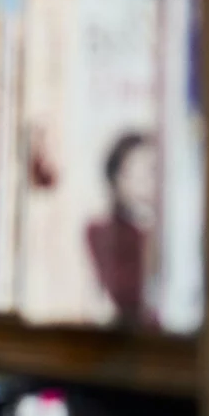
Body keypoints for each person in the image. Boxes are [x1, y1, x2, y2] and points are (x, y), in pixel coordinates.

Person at [86, 132, 157, 325]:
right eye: (143, 169)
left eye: (154, 169)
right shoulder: (101, 231)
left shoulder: (166, 227)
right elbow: (123, 291)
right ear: (118, 178)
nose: (150, 178)